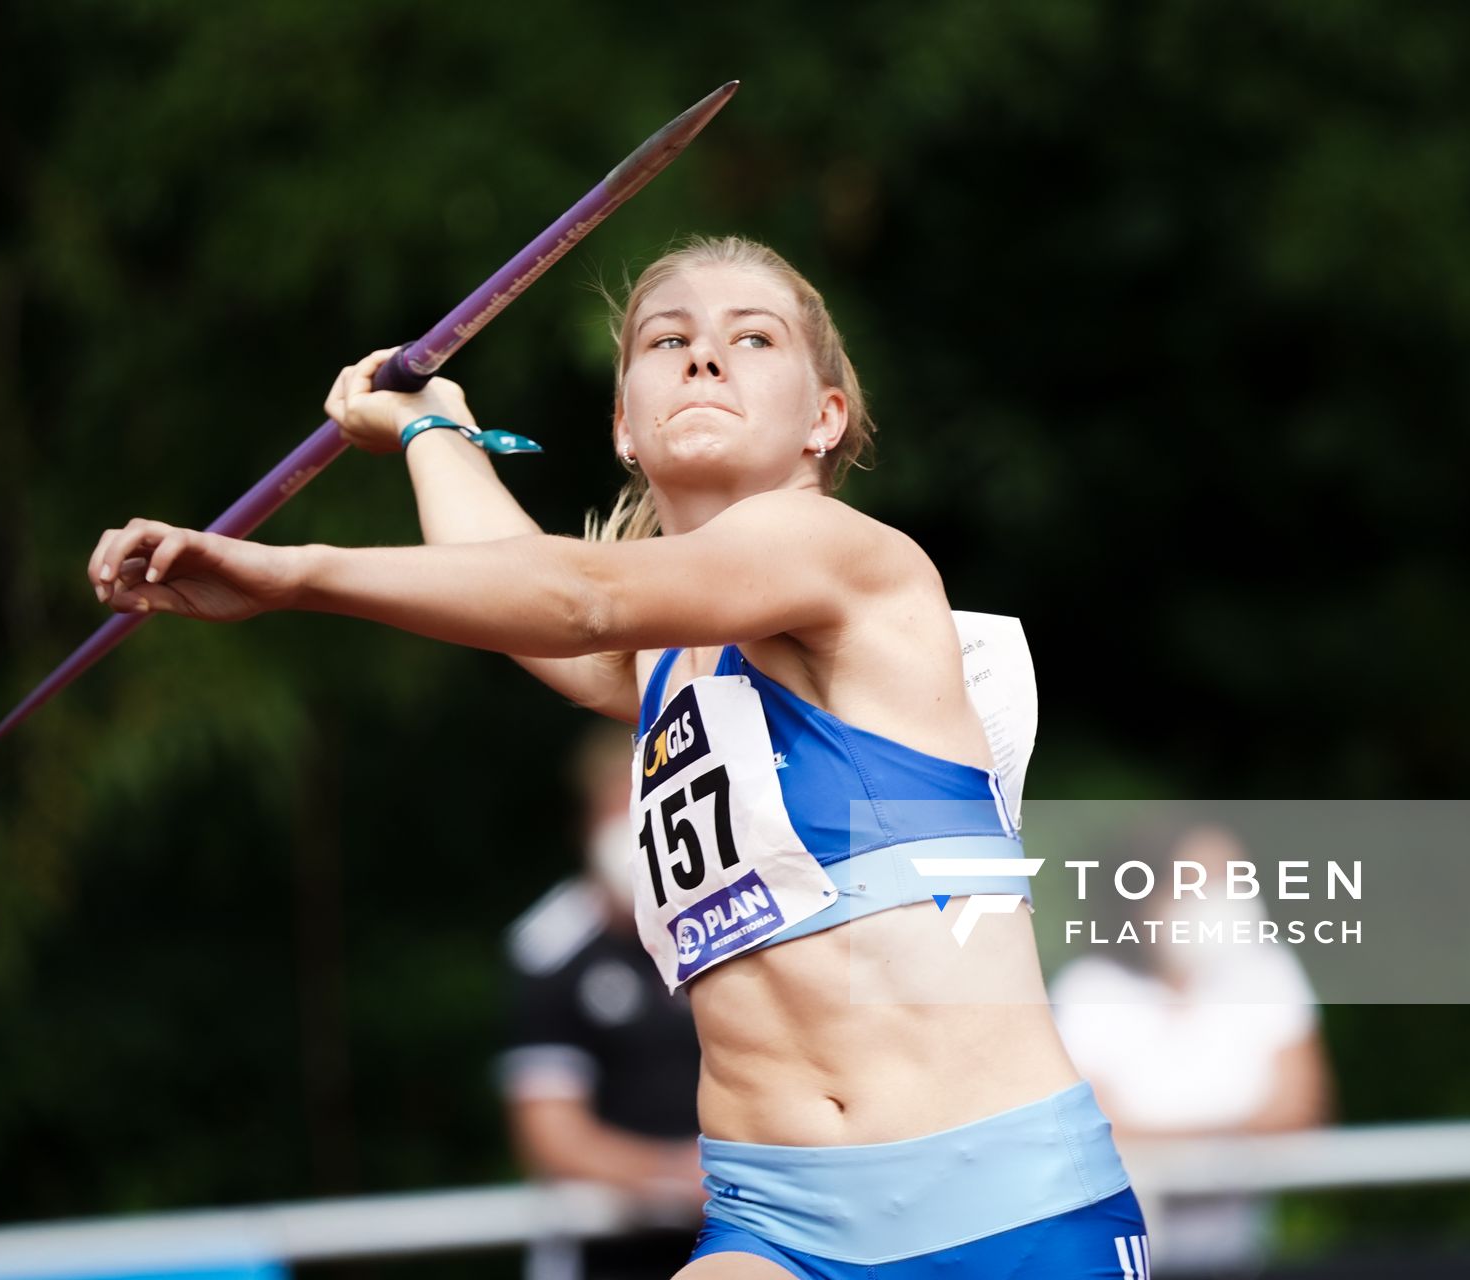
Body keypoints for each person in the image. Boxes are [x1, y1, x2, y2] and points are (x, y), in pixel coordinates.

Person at [86, 235, 1149, 1279]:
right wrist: (428, 427)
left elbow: (571, 595)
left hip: (1000, 1208)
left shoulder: (844, 557)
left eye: (754, 338)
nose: (702, 355)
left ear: (824, 419)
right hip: (780, 1223)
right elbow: (523, 593)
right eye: (667, 339)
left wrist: (293, 571)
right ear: (625, 427)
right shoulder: (660, 658)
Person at [1051, 826, 1334, 1276]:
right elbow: (1091, 1134)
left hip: (1244, 1252)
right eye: (1202, 882)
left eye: (1234, 878)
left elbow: (1300, 1111)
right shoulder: (1088, 988)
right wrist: (1235, 1140)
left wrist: (1167, 1144)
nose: (1225, 897)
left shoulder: (1265, 970)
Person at [501, 722, 704, 1278]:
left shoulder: (730, 924)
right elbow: (550, 1134)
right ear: (589, 824)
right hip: (606, 1256)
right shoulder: (551, 947)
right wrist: (680, 1175)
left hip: (741, 1240)